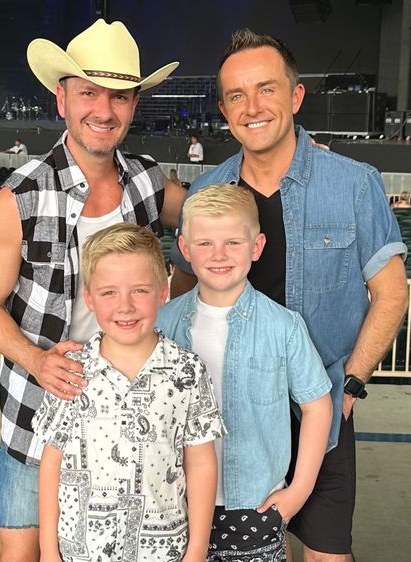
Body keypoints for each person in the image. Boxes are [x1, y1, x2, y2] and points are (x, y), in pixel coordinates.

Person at [169, 29, 409, 562]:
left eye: (267, 89)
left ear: (296, 97)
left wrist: (349, 386)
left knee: (326, 555)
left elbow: (392, 294)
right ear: (224, 110)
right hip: (229, 417)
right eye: (236, 95)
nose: (252, 107)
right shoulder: (207, 190)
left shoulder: (354, 183)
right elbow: (184, 290)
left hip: (320, 410)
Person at [0, 18, 186, 562]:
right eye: (88, 92)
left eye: (118, 97)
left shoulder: (148, 182)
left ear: (134, 105)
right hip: (38, 411)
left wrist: (176, 295)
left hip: (128, 413)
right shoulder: (18, 198)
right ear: (60, 97)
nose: (103, 110)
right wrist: (36, 360)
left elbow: (213, 225)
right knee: (19, 555)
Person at [158, 184, 332, 562]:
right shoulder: (161, 325)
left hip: (254, 504)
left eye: (233, 243)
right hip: (173, 504)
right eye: (204, 244)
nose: (218, 255)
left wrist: (298, 490)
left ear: (256, 246)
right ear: (185, 250)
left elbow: (318, 406)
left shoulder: (284, 326)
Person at [32, 223, 224, 562]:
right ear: (89, 298)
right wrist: (48, 551)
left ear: (163, 290)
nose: (125, 306)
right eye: (109, 293)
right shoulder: (70, 371)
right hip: (81, 552)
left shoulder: (188, 372)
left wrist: (196, 550)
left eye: (140, 290)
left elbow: (201, 463)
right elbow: (51, 463)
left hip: (164, 550)